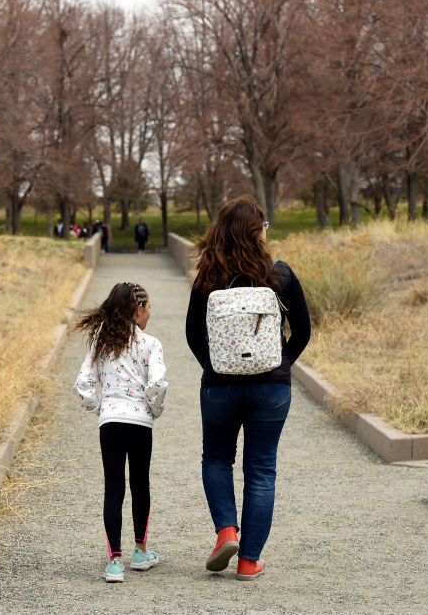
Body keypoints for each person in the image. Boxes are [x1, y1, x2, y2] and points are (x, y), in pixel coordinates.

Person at [185, 196, 310, 581]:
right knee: (261, 472)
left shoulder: (208, 276)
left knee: (217, 459)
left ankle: (226, 531)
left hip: (220, 387)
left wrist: (217, 367)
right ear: (257, 233)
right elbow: (302, 330)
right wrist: (280, 363)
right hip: (271, 388)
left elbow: (192, 334)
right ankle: (248, 560)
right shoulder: (279, 274)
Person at [74, 282, 168, 583]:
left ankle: (115, 560)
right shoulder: (150, 344)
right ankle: (140, 551)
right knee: (140, 484)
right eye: (148, 308)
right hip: (140, 423)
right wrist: (153, 410)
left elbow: (84, 384)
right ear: (138, 310)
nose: (149, 314)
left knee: (113, 488)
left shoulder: (101, 344)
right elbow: (157, 384)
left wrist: (100, 406)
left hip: (111, 421)